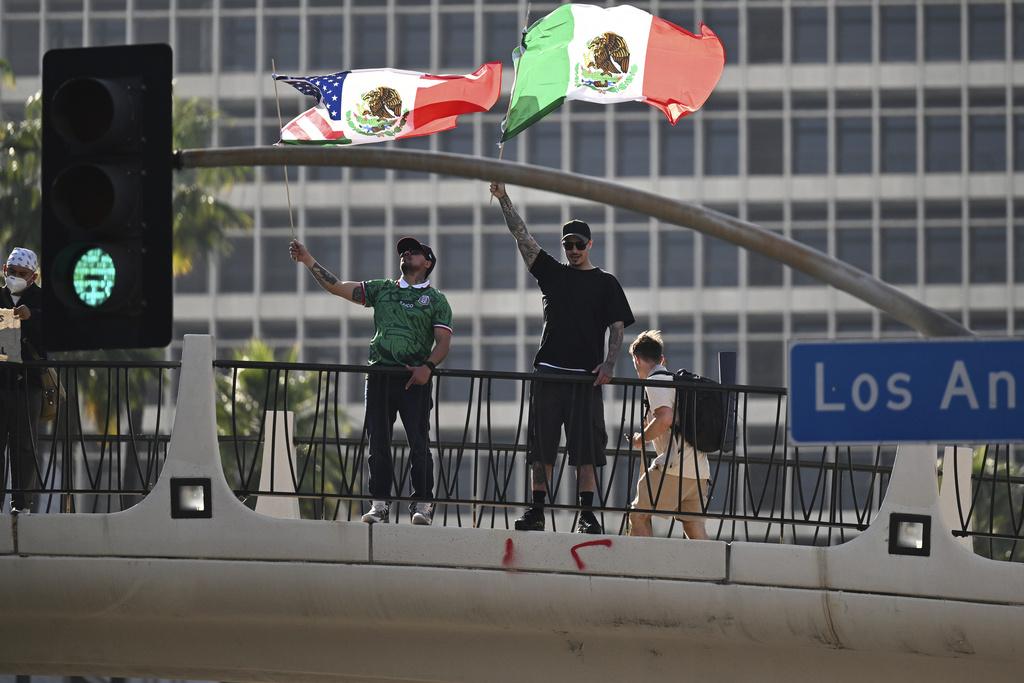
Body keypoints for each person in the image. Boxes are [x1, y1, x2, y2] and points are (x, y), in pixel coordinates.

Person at [489, 182, 634, 534]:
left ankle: (587, 514)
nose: (573, 250)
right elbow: (522, 237)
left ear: (590, 245)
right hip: (549, 374)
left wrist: (610, 363)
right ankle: (537, 510)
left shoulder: (606, 283)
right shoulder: (552, 273)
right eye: (568, 245)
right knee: (541, 449)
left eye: (579, 244)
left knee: (587, 450)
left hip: (585, 378)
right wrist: (504, 198)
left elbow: (617, 326)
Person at [289, 236, 452, 526]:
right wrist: (307, 259)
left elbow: (443, 342)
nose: (406, 254)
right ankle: (379, 504)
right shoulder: (383, 289)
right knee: (378, 442)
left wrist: (427, 367)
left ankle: (422, 505)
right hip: (379, 375)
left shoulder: (436, 300)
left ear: (428, 262)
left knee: (419, 443)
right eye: (403, 251)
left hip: (414, 379)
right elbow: (337, 286)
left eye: (414, 252)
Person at [627, 330, 710, 540]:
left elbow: (665, 418)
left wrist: (640, 439)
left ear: (637, 360)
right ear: (662, 359)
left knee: (638, 515)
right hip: (699, 470)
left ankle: (643, 561)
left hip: (674, 468)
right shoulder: (677, 382)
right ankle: (711, 562)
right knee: (693, 526)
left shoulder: (656, 380)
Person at [0, 247, 44, 514]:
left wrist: (33, 316)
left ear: (33, 277)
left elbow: (55, 334)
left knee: (25, 446)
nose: (15, 276)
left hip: (29, 383)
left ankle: (22, 504)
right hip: (1, 381)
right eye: (11, 271)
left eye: (22, 273)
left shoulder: (42, 300)